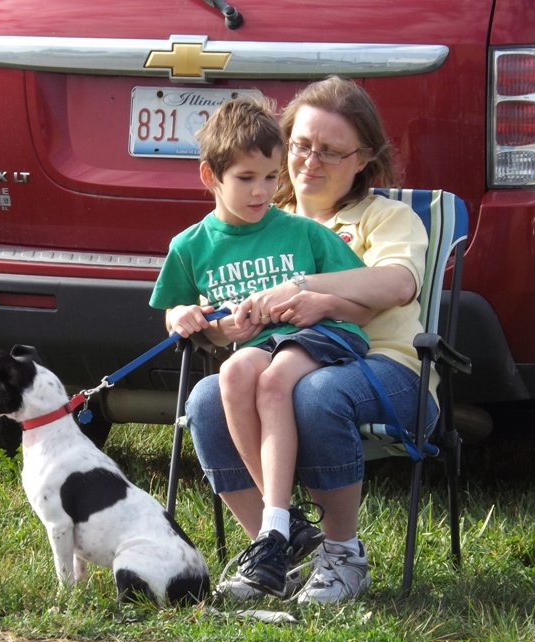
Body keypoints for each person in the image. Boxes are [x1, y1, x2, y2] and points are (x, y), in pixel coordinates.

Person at [186, 75, 438, 604]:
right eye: (300, 145)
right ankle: (273, 551)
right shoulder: (260, 218)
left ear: (363, 158)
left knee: (316, 393)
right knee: (207, 397)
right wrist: (214, 324)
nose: (310, 161)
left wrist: (307, 289)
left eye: (331, 150)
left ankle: (342, 554)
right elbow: (219, 307)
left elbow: (397, 283)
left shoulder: (386, 217)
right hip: (277, 367)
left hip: (388, 369)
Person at [149, 97, 373, 598]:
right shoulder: (190, 246)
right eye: (246, 178)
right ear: (210, 176)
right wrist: (185, 317)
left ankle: (275, 527)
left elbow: (361, 303)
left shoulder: (303, 232)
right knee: (231, 374)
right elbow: (176, 310)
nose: (262, 191)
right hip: (262, 347)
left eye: (272, 177)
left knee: (269, 379)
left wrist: (317, 302)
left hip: (323, 336)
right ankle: (284, 523)